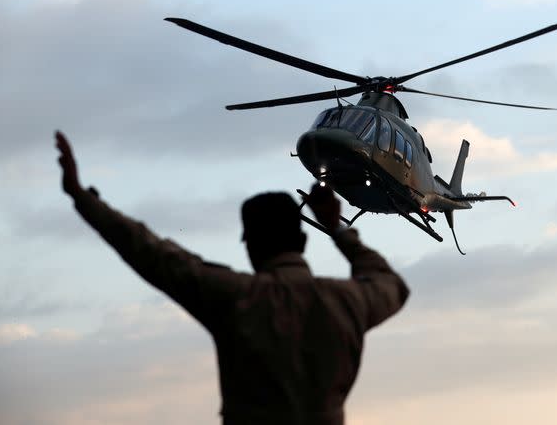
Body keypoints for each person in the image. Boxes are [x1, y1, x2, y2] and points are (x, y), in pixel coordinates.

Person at [54, 131, 409, 425]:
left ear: (250, 246)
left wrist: (82, 198)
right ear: (302, 240)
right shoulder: (346, 302)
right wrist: (337, 228)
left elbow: (152, 253)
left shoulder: (235, 297)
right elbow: (392, 285)